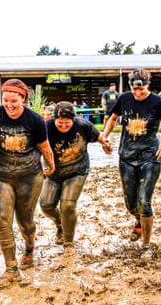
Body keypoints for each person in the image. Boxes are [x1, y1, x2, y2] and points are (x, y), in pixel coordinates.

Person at [0, 79, 54, 282]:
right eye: (5, 100)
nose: (9, 105)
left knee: (25, 222)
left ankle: (29, 247)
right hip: (1, 176)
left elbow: (44, 146)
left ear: (23, 99)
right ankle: (11, 268)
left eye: (14, 100)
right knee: (3, 221)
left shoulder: (34, 120)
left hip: (30, 177)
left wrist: (51, 165)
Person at [101, 69, 161, 247]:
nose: (138, 93)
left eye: (141, 90)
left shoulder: (159, 102)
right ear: (130, 87)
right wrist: (105, 136)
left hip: (150, 156)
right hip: (126, 155)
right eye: (135, 90)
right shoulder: (124, 98)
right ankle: (139, 222)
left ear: (148, 86)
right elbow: (113, 118)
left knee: (144, 201)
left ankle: (146, 245)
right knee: (131, 204)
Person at [40, 102, 111, 246]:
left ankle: (68, 242)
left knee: (67, 206)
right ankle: (60, 224)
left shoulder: (83, 126)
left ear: (73, 120)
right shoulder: (46, 128)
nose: (64, 126)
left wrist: (105, 143)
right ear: (55, 119)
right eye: (60, 123)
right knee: (46, 205)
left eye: (67, 123)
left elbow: (99, 137)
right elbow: (35, 148)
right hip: (53, 172)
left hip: (77, 171)